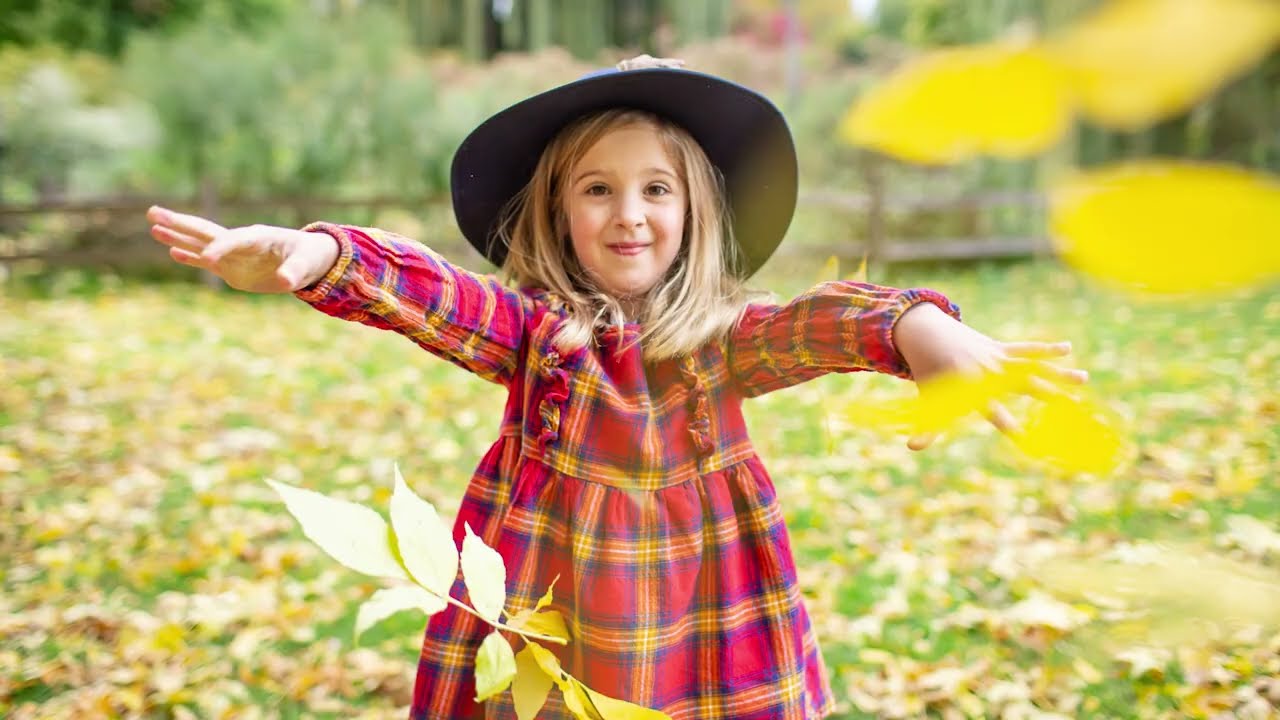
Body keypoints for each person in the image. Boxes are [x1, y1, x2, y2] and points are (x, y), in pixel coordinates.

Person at [146, 57, 1084, 720]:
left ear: (696, 209)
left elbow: (819, 323)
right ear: (558, 208)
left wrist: (915, 325)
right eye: (596, 189)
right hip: (545, 624)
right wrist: (317, 255)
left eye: (656, 190)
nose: (628, 213)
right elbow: (438, 295)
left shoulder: (719, 344)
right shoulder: (536, 336)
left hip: (707, 630)